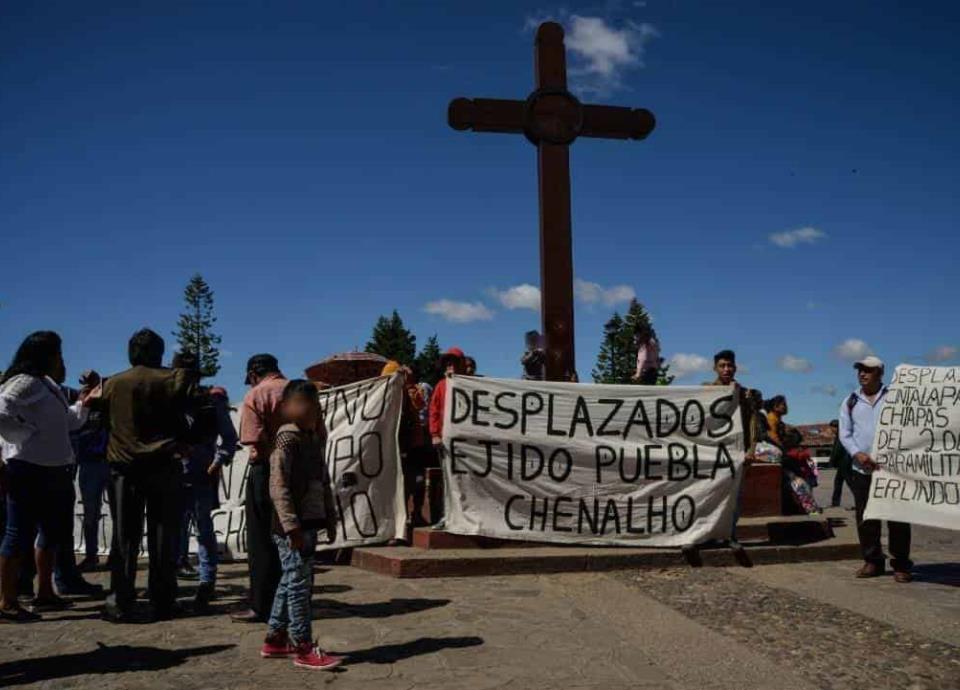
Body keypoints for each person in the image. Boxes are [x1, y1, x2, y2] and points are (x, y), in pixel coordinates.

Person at [96, 328, 201, 622]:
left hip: (123, 466)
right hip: (163, 463)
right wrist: (184, 442)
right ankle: (163, 598)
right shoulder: (172, 379)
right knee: (164, 536)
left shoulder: (112, 384)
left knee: (124, 537)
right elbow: (195, 416)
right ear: (159, 352)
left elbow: (100, 422)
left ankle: (120, 599)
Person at [0, 331, 94, 621]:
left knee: (52, 533)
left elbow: (68, 423)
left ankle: (45, 593)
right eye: (58, 354)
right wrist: (22, 435)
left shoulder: (48, 385)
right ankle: (6, 601)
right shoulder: (24, 381)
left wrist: (84, 403)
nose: (62, 360)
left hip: (55, 468)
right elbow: (1, 411)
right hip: (28, 468)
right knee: (18, 534)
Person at [260, 379, 342, 670]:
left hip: (309, 524)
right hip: (291, 528)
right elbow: (278, 485)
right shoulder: (286, 439)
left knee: (291, 580)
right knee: (298, 586)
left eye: (315, 406)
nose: (310, 410)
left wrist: (330, 518)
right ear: (286, 408)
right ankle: (302, 646)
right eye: (303, 404)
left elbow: (324, 482)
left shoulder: (312, 440)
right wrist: (290, 526)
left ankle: (275, 638)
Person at [170, 352, 238, 613]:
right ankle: (169, 580)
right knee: (172, 530)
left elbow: (229, 437)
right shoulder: (167, 400)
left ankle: (206, 581)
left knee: (204, 530)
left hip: (201, 475)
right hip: (172, 476)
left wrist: (218, 461)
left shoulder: (211, 402)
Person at [839, 355, 912, 582]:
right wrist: (857, 454)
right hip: (862, 469)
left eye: (868, 370)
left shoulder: (895, 397)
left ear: (880, 373)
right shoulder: (850, 401)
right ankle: (872, 560)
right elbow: (845, 434)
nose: (862, 374)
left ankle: (901, 564)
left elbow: (908, 427)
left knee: (898, 517)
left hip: (892, 469)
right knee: (866, 517)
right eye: (860, 370)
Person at [684, 349, 757, 569]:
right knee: (705, 494)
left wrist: (751, 449)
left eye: (729, 366)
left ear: (735, 368)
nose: (726, 369)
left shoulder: (744, 394)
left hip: (735, 453)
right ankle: (698, 535)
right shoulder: (706, 390)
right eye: (722, 366)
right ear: (715, 368)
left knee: (733, 497)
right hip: (710, 453)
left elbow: (752, 422)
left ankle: (729, 535)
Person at [233, 354, 287, 623]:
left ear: (254, 374)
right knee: (292, 538)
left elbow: (252, 440)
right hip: (298, 472)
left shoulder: (257, 395)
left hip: (266, 470)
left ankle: (262, 605)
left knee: (261, 541)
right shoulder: (300, 391)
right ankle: (294, 600)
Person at [382, 361, 429, 535]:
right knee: (398, 483)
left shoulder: (413, 390)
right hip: (393, 444)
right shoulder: (384, 394)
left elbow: (420, 404)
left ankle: (416, 513)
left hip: (414, 443)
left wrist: (409, 385)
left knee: (417, 480)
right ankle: (398, 519)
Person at [75, 370, 110, 572]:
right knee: (90, 513)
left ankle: (117, 555)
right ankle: (91, 555)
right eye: (85, 384)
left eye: (93, 384)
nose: (89, 388)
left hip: (110, 461)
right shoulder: (80, 406)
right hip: (88, 464)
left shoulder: (108, 402)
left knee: (119, 511)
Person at [428, 347, 466, 454]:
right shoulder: (441, 385)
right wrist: (435, 434)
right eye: (448, 363)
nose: (450, 365)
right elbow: (433, 410)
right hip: (445, 436)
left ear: (461, 365)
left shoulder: (471, 385)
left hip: (466, 436)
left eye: (455, 362)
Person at [828, 419, 852, 508]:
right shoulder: (842, 434)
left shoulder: (841, 436)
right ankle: (835, 503)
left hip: (844, 463)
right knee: (838, 482)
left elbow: (837, 450)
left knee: (850, 483)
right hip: (844, 463)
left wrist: (832, 461)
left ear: (836, 427)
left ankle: (861, 500)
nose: (831, 430)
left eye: (832, 428)